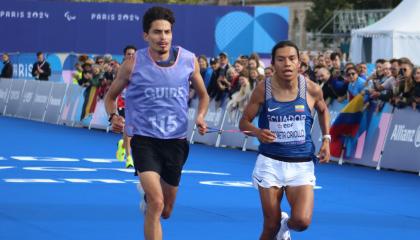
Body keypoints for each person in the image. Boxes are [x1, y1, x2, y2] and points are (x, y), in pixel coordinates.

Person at [104, 6, 209, 240]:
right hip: (144, 141)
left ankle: (147, 198)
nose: (163, 38)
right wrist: (113, 117)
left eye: (167, 32)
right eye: (157, 32)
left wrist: (200, 116)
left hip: (176, 142)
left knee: (167, 211)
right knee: (157, 202)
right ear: (146, 35)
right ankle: (150, 198)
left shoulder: (189, 60)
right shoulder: (133, 63)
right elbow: (110, 97)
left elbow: (204, 95)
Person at [239, 40, 331, 240]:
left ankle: (285, 225)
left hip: (302, 164)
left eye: (292, 59)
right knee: (269, 226)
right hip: (270, 163)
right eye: (281, 59)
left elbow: (323, 111)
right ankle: (277, 226)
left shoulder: (312, 89)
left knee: (301, 222)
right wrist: (258, 132)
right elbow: (243, 123)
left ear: (299, 63)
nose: (287, 64)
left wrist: (326, 139)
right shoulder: (264, 89)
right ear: (273, 63)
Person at [116, 45, 138, 168]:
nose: (130, 56)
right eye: (128, 54)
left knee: (133, 132)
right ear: (124, 56)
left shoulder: (140, 68)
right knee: (128, 129)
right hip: (123, 103)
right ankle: (129, 158)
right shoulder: (121, 69)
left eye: (132, 54)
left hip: (136, 105)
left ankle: (122, 145)